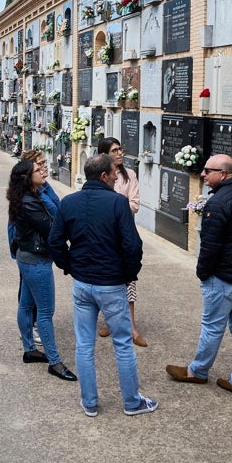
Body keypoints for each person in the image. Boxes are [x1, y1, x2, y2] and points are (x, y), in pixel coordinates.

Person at [49, 153, 157, 418]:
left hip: (83, 283)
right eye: (113, 173)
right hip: (110, 283)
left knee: (84, 345)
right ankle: (132, 403)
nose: (116, 176)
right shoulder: (117, 203)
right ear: (103, 176)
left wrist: (70, 266)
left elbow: (55, 242)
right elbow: (132, 245)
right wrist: (128, 274)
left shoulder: (69, 202)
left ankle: (89, 402)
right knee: (122, 343)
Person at [165, 154, 232, 399]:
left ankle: (197, 371)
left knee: (212, 325)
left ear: (225, 174)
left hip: (225, 276)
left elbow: (210, 245)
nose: (203, 175)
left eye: (208, 171)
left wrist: (203, 273)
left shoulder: (218, 204)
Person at [6, 157, 75, 382]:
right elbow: (51, 227)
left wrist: (44, 185)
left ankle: (29, 350)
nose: (42, 171)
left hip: (28, 258)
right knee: (45, 313)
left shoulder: (31, 195)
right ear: (27, 177)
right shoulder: (29, 201)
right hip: (36, 260)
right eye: (37, 169)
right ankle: (55, 362)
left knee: (26, 305)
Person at [96, 138, 147, 347]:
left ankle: (132, 328)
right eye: (115, 150)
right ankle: (109, 320)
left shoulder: (130, 175)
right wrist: (119, 204)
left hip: (125, 234)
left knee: (129, 280)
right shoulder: (98, 176)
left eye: (120, 149)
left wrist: (114, 206)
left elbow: (134, 204)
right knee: (106, 278)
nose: (120, 153)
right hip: (105, 236)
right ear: (105, 154)